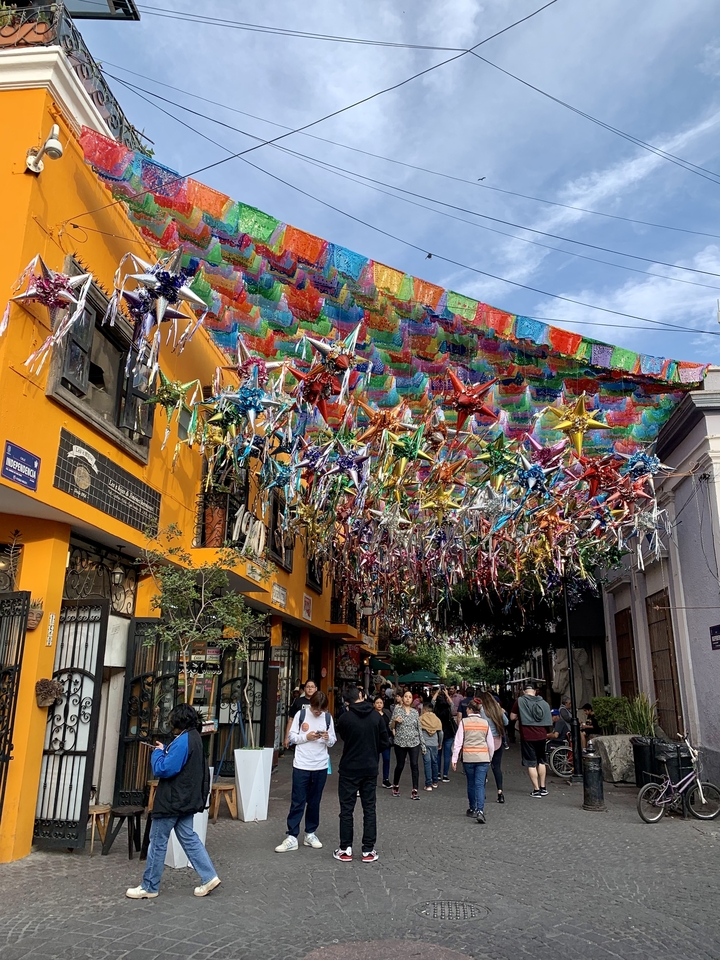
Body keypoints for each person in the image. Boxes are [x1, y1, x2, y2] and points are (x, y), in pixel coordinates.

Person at [126, 704, 219, 900]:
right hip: (187, 799)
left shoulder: (183, 740)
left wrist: (158, 753)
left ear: (178, 722)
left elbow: (164, 769)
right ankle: (209, 876)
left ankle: (149, 886)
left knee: (158, 841)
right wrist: (167, 749)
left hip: (172, 800)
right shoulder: (194, 738)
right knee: (189, 837)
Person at [334, 685, 390, 863]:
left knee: (346, 810)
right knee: (369, 809)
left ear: (347, 700)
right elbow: (384, 742)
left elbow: (344, 737)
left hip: (349, 768)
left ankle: (345, 849)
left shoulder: (344, 718)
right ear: (361, 695)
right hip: (370, 767)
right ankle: (368, 850)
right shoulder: (376, 716)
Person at [275, 691, 336, 853]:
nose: (318, 713)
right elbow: (292, 736)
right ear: (312, 704)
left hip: (320, 765)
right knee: (297, 800)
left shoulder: (328, 718)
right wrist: (306, 737)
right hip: (301, 764)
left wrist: (326, 737)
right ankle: (292, 835)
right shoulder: (301, 715)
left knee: (314, 801)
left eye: (321, 710)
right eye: (316, 709)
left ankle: (310, 833)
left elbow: (333, 741)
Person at [451, 698, 494, 824]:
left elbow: (458, 742)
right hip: (483, 758)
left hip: (468, 758)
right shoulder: (485, 723)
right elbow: (490, 744)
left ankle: (472, 808)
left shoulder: (464, 722)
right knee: (480, 784)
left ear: (469, 709)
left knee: (471, 783)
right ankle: (480, 810)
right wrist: (489, 757)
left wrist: (454, 758)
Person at [510, 681, 553, 798]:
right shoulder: (543, 702)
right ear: (535, 691)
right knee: (541, 761)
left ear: (524, 691)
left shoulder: (519, 701)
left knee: (531, 762)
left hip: (527, 736)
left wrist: (521, 715)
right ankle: (544, 788)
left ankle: (536, 790)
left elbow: (512, 717)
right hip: (542, 735)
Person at [390, 690, 425, 799]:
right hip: (400, 742)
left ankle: (415, 790)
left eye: (410, 697)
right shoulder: (397, 710)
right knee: (400, 765)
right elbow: (390, 726)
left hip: (414, 742)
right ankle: (395, 785)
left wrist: (423, 745)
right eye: (406, 696)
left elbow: (419, 728)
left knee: (414, 765)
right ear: (402, 698)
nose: (408, 698)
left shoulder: (415, 712)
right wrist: (395, 721)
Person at [479, 691, 508, 804]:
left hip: (485, 741)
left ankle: (482, 793)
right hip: (497, 741)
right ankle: (500, 793)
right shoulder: (497, 709)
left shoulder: (482, 710)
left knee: (483, 767)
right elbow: (506, 722)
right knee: (497, 768)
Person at [433, 685, 457, 782]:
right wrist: (447, 694)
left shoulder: (435, 710)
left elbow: (432, 702)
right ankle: (445, 775)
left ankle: (438, 773)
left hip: (437, 732)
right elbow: (452, 704)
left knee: (438, 754)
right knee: (447, 755)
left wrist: (438, 691)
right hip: (448, 732)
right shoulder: (448, 709)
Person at [284, 679, 317, 748]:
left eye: (312, 687)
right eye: (308, 687)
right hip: (299, 736)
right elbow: (291, 720)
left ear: (316, 689)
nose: (310, 688)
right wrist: (287, 737)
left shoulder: (319, 702)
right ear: (304, 689)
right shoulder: (298, 701)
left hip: (315, 737)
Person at [420, 703, 442, 790]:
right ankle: (435, 782)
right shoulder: (437, 719)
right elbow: (441, 733)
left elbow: (419, 732)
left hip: (425, 743)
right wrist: (440, 743)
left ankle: (428, 784)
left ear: (424, 710)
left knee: (427, 763)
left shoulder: (421, 719)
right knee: (435, 762)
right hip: (434, 743)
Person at [374, 694, 393, 788]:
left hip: (386, 741)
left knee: (387, 759)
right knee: (375, 761)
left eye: (380, 703)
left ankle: (386, 779)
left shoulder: (387, 713)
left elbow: (391, 725)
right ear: (374, 704)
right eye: (377, 703)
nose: (379, 705)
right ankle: (373, 779)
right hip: (375, 741)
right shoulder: (372, 714)